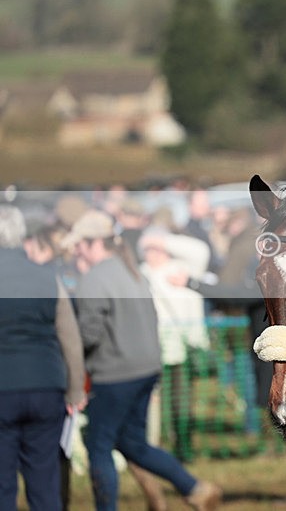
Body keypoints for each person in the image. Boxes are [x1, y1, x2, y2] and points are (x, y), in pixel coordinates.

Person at [63, 209, 222, 511]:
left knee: (99, 447)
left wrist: (67, 351)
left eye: (80, 245)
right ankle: (195, 488)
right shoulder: (132, 271)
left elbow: (89, 334)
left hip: (114, 375)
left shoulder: (94, 278)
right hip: (146, 369)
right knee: (132, 443)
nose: (77, 251)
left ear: (93, 243)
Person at [0, 205, 86, 511]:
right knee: (44, 482)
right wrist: (75, 390)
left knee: (3, 486)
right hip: (47, 388)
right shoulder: (48, 278)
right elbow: (70, 338)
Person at [138, 228, 211, 461]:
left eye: (157, 248)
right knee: (152, 401)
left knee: (181, 400)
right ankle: (153, 446)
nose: (153, 253)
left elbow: (201, 251)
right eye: (148, 249)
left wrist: (163, 239)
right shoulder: (140, 273)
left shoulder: (182, 268)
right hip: (150, 350)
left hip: (181, 350)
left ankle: (183, 446)